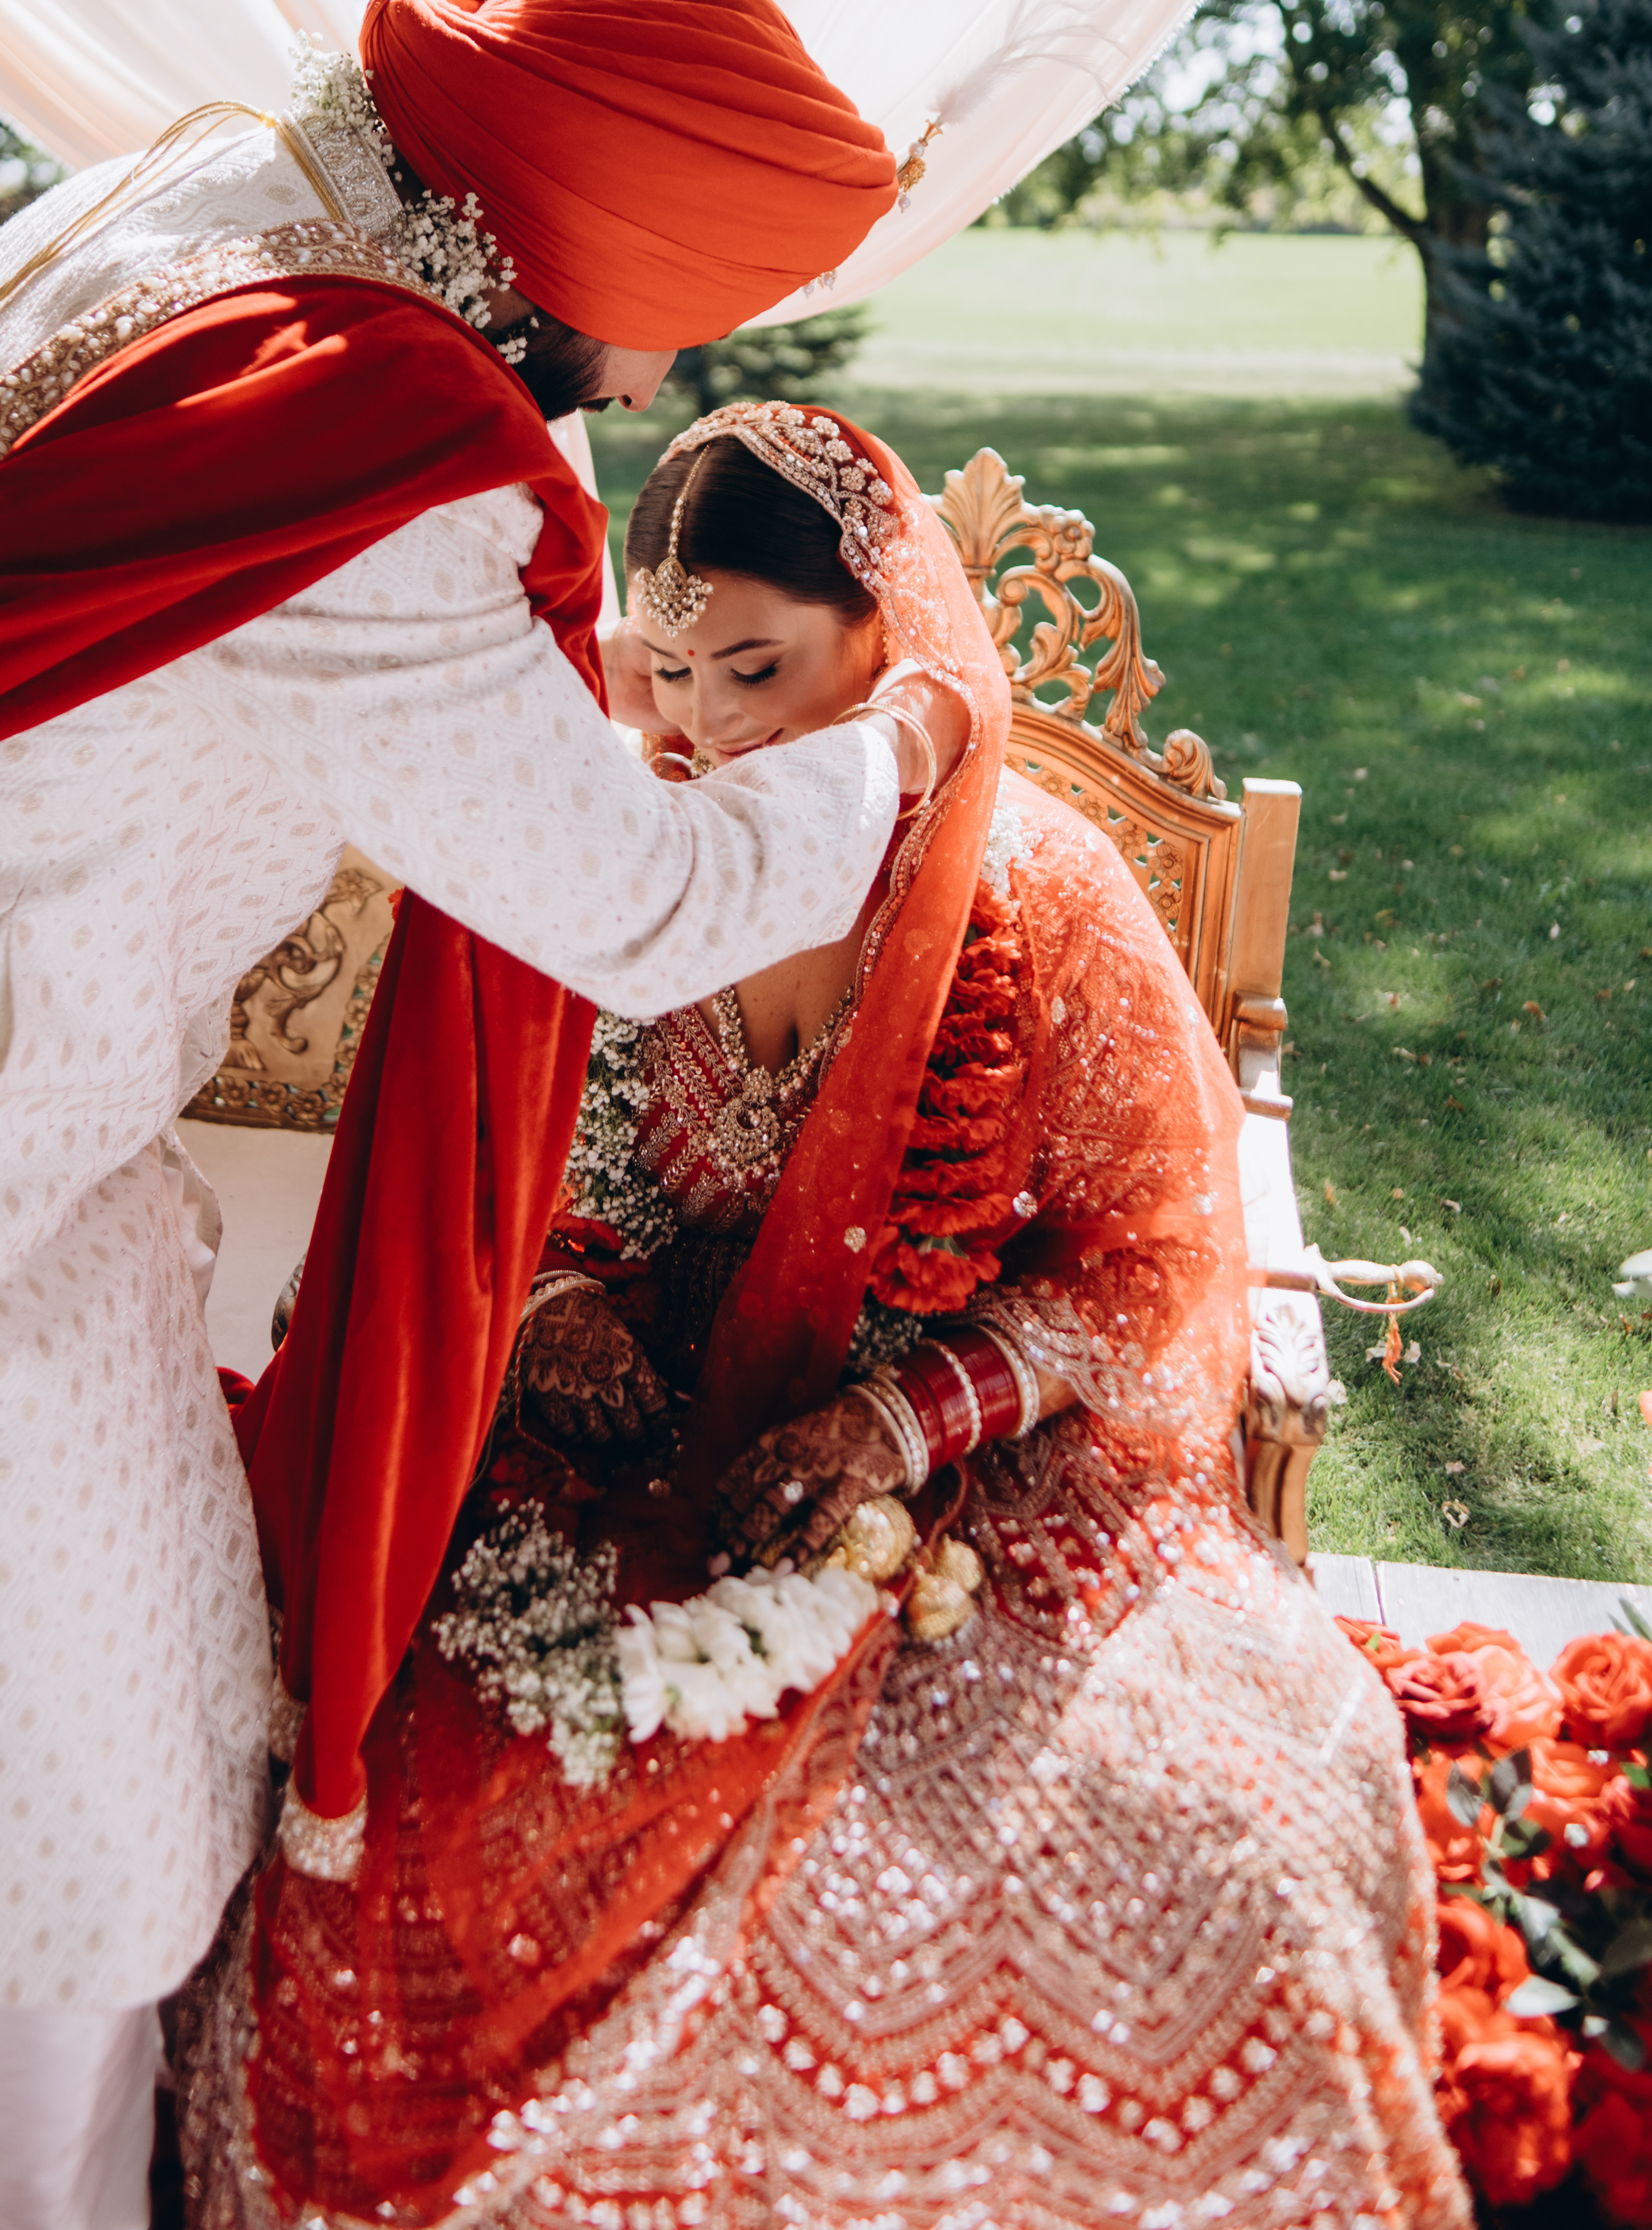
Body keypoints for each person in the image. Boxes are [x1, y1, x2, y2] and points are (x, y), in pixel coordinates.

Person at [0, 0, 953, 2230]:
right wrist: (904, 742)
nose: (660, 384)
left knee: (142, 1699)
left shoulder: (197, 190)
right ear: (570, 246)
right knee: (83, 1807)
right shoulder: (366, 459)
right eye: (672, 319)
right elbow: (638, 903)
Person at [179, 402, 1468, 2230]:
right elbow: (495, 1166)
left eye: (761, 669)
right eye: (673, 672)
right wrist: (555, 1306)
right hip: (632, 1441)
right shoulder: (627, 864)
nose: (710, 733)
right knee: (428, 1791)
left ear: (890, 641)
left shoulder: (1040, 897)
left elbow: (1147, 1267)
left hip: (971, 1457)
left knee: (1190, 1838)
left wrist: (890, 1424)